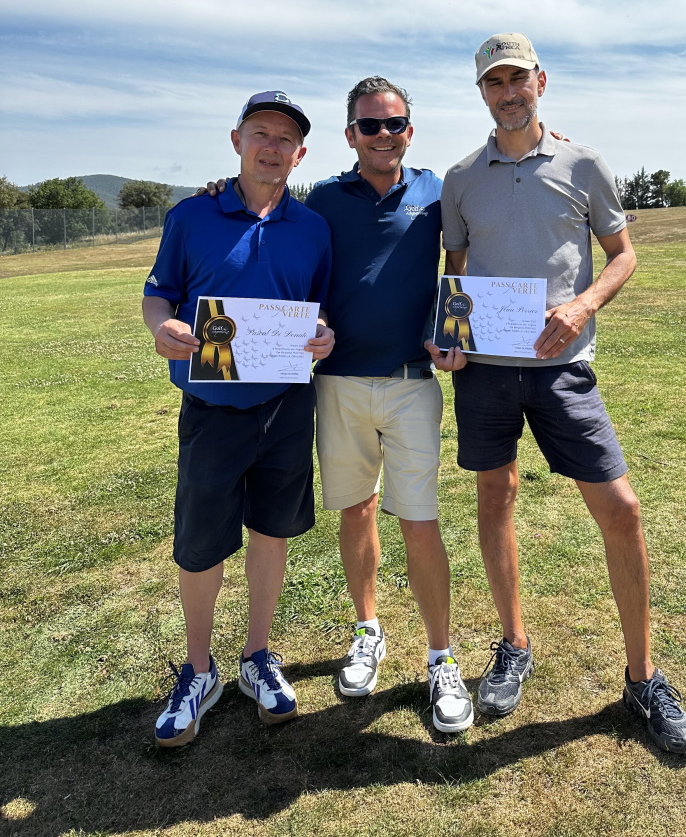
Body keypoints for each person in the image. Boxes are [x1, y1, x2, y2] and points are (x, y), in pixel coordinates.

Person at [427, 34, 686, 754]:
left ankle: (643, 677)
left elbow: (624, 255)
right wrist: (450, 336)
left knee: (621, 508)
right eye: (494, 83)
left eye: (519, 79)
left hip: (563, 368)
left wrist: (581, 308)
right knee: (496, 495)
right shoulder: (461, 178)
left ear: (540, 82)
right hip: (486, 371)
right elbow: (455, 275)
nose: (508, 92)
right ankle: (514, 642)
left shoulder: (584, 163)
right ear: (481, 92)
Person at [143, 90, 334, 747]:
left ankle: (258, 655)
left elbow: (316, 310)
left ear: (300, 153)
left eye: (286, 139)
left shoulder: (312, 228)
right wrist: (162, 326)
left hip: (285, 407)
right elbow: (158, 294)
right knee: (200, 542)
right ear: (237, 140)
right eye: (261, 133)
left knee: (271, 532)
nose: (273, 147)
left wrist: (324, 337)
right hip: (213, 408)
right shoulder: (192, 216)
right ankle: (199, 669)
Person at [299, 77, 473, 734]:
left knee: (419, 521)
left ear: (410, 128)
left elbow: (459, 267)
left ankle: (440, 656)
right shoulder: (321, 199)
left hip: (411, 383)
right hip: (338, 381)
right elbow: (286, 245)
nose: (383, 135)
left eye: (394, 123)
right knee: (356, 510)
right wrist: (213, 192)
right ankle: (367, 631)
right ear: (350, 136)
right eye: (369, 126)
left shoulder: (437, 190)